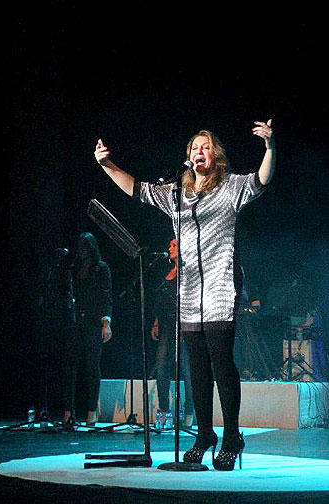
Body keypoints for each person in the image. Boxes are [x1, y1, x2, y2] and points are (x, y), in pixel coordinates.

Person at [94, 120, 275, 470]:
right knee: (196, 369)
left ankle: (232, 436)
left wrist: (269, 148)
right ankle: (204, 433)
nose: (198, 152)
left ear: (216, 155)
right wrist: (107, 165)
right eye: (194, 148)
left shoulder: (230, 188)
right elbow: (135, 189)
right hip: (190, 292)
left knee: (222, 366)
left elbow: (261, 179)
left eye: (205, 147)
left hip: (220, 290)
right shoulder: (177, 193)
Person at [64, 232, 112, 426]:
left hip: (94, 322)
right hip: (76, 321)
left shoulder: (101, 268)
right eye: (79, 245)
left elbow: (107, 297)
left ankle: (92, 411)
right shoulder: (74, 269)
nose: (81, 249)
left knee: (92, 366)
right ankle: (68, 411)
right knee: (70, 365)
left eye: (85, 245)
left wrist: (106, 323)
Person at [150, 238, 194, 430]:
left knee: (186, 369)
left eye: (174, 245)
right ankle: (165, 411)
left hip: (184, 325)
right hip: (166, 325)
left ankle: (190, 411)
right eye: (170, 245)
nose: (169, 248)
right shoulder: (166, 272)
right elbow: (160, 300)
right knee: (161, 366)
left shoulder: (190, 273)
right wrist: (156, 322)